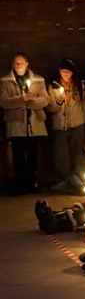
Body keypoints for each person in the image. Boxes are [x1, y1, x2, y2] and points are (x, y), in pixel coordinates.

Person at [0, 52, 50, 195]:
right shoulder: (5, 81)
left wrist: (29, 103)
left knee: (33, 155)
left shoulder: (38, 80)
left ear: (27, 63)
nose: (18, 65)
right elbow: (3, 101)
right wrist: (20, 99)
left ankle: (31, 183)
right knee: (18, 155)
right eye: (16, 62)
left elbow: (45, 99)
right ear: (12, 64)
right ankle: (19, 184)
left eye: (21, 62)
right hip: (16, 124)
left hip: (34, 123)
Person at [46, 57, 85, 182]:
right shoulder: (53, 85)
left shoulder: (80, 84)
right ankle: (64, 179)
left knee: (77, 151)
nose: (65, 74)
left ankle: (78, 177)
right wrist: (57, 103)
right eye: (63, 71)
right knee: (61, 154)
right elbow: (50, 107)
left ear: (73, 73)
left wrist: (83, 106)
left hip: (78, 122)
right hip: (60, 124)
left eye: (68, 71)